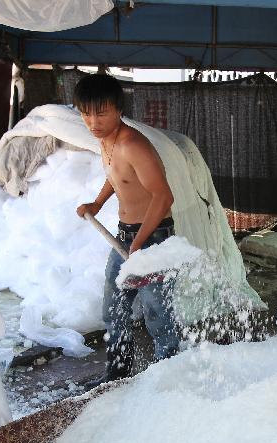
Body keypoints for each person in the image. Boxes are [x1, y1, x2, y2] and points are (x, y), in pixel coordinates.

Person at [74, 73, 180, 383]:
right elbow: (116, 175)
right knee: (114, 309)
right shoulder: (106, 141)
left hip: (154, 237)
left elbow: (163, 197)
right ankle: (118, 372)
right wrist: (96, 204)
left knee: (158, 315)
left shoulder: (133, 144)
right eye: (86, 113)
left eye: (101, 112)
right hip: (124, 235)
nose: (93, 121)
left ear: (119, 109)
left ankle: (168, 379)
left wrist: (140, 244)